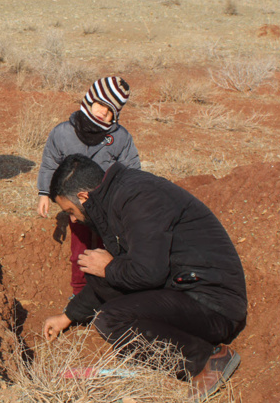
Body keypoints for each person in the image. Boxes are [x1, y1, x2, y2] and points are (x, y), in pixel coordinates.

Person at [41, 154, 248, 402]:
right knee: (110, 281)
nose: (73, 219)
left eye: (71, 211)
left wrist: (109, 268)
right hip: (184, 291)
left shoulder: (138, 198)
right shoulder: (115, 201)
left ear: (84, 197)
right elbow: (114, 279)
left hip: (213, 305)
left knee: (112, 319)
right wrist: (68, 316)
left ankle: (206, 360)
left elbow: (148, 272)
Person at [37, 76, 139, 295]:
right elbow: (50, 162)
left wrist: (130, 200)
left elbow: (132, 168)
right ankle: (79, 291)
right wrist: (44, 193)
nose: (103, 112)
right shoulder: (63, 132)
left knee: (110, 248)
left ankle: (109, 290)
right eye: (100, 104)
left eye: (110, 110)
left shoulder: (120, 137)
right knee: (79, 250)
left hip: (108, 205)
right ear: (90, 99)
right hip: (77, 206)